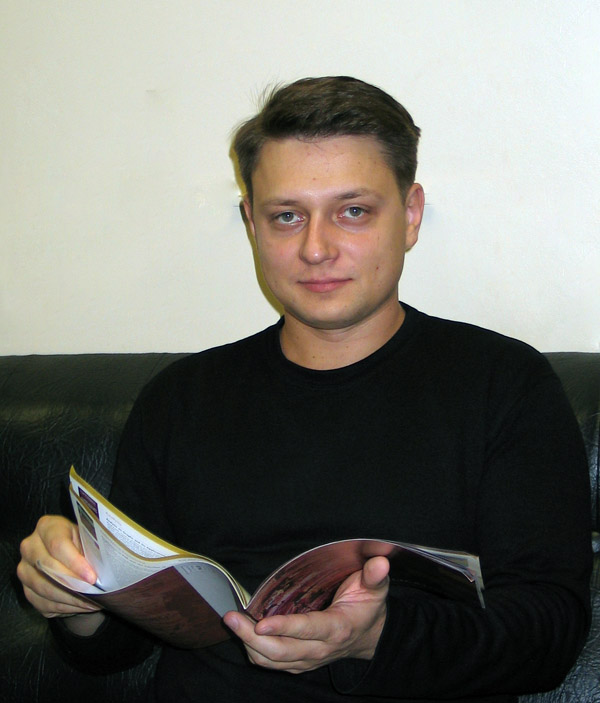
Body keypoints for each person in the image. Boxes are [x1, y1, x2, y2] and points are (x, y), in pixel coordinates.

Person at [18, 76, 591, 703]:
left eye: (353, 211)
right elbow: (117, 650)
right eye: (287, 216)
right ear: (252, 224)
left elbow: (549, 636)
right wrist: (78, 600)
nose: (316, 249)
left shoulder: (503, 385)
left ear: (410, 215)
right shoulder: (180, 400)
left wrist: (375, 639)